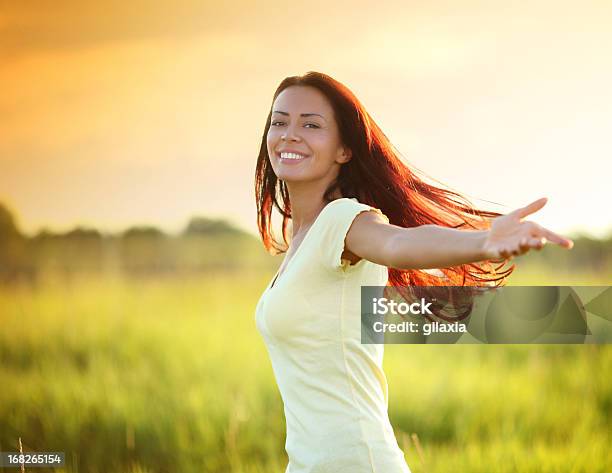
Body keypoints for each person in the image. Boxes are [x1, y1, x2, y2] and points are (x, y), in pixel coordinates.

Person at [253, 71, 573, 473]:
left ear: (344, 151)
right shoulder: (303, 241)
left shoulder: (343, 220)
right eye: (279, 122)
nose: (290, 134)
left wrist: (484, 241)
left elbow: (397, 244)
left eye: (311, 124)